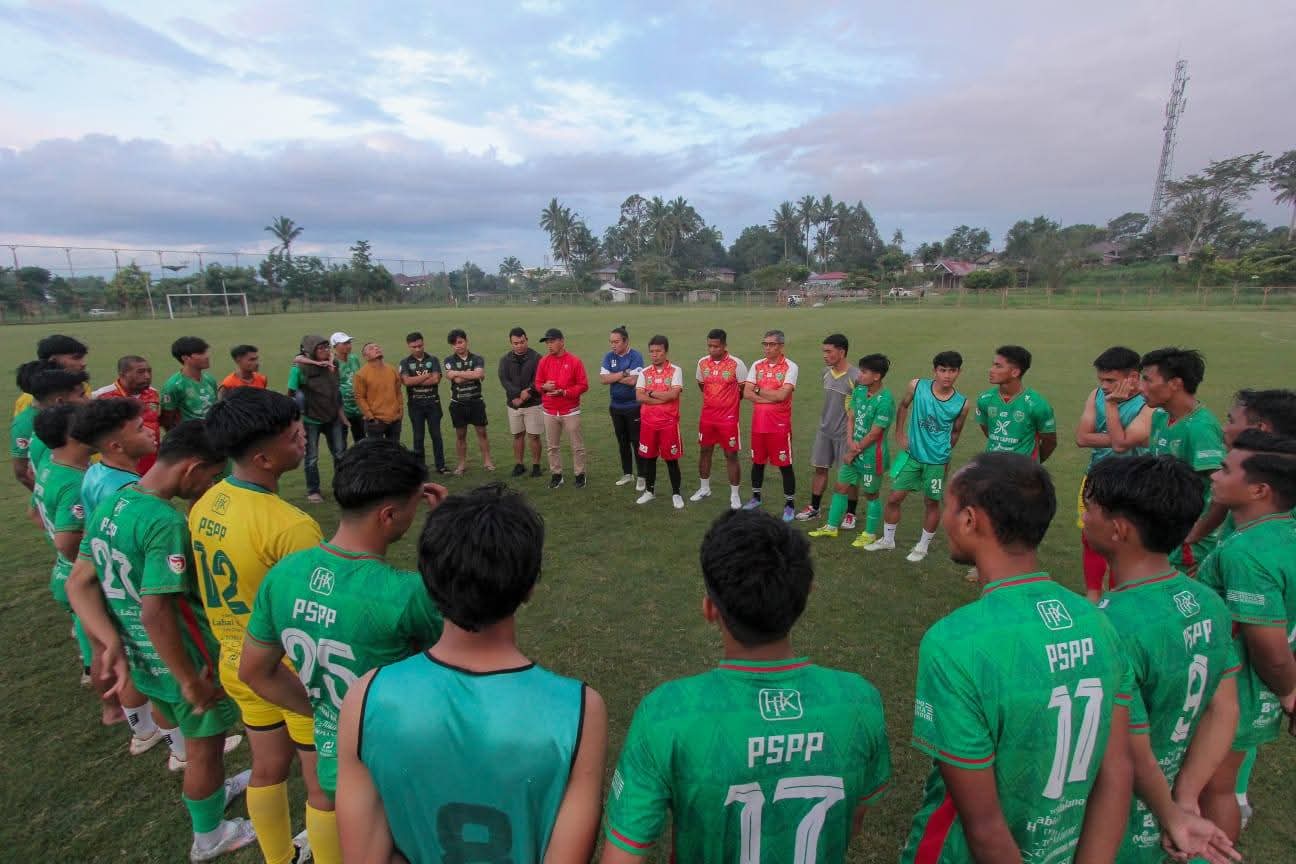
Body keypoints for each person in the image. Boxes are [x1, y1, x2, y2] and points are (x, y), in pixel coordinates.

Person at [600, 509, 892, 863]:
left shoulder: (666, 714)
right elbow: (852, 820)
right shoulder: (859, 702)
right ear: (805, 594)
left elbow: (623, 854)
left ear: (709, 609)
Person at [335, 484, 607, 863]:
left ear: (428, 581)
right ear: (529, 587)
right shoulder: (580, 709)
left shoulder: (366, 697)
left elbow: (364, 857)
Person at [900, 452, 1135, 864]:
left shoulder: (955, 642)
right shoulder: (1097, 623)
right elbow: (1116, 772)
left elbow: (984, 823)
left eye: (953, 509)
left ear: (971, 520)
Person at [239, 440, 447, 864]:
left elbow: (255, 672)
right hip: (399, 767)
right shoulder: (404, 594)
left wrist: (324, 708)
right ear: (389, 516)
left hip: (337, 761)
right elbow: (457, 665)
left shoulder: (283, 575)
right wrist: (444, 524)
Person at [65, 421, 256, 861]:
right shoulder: (164, 521)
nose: (211, 485)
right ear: (192, 468)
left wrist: (110, 639)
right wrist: (190, 679)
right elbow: (157, 609)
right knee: (206, 747)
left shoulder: (114, 504)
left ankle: (214, 790)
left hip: (140, 655)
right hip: (186, 658)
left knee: (185, 734)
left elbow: (80, 582)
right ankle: (210, 837)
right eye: (211, 477)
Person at [1084, 455, 1242, 863]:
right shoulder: (1209, 602)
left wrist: (1170, 810)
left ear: (1118, 529)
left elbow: (1127, 746)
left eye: (1091, 509)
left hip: (1106, 815)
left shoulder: (1106, 626)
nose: (1085, 518)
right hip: (1166, 801)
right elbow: (1225, 708)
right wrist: (1186, 797)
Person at [192, 388, 326, 864]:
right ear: (265, 457)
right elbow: (314, 616)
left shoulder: (207, 503)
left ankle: (278, 856)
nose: (304, 440)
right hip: (289, 671)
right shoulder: (290, 527)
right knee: (323, 785)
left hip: (236, 659)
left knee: (267, 765)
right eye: (295, 437)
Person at [1195, 430, 1296, 842]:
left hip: (1236, 690)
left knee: (1212, 786)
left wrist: (1290, 693)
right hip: (1254, 689)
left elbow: (1267, 643)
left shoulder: (1246, 552)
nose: (1215, 477)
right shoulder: (1283, 532)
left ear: (1258, 489)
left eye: (1225, 469)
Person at [865, 351, 970, 563]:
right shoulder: (917, 386)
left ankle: (922, 546)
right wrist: (900, 434)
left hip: (936, 462)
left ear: (959, 372)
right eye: (943, 370)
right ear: (935, 371)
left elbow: (956, 431)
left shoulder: (962, 403)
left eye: (952, 371)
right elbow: (904, 406)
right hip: (913, 456)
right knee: (894, 497)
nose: (947, 375)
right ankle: (888, 540)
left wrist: (944, 452)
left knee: (931, 502)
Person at [1074, 346, 1152, 603]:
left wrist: (1112, 412)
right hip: (1095, 478)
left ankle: (1119, 596)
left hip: (1132, 483)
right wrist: (1121, 436)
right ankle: (1093, 595)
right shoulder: (1095, 394)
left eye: (1111, 380)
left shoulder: (1149, 404)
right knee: (1091, 537)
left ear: (1133, 377)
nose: (1104, 386)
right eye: (1102, 380)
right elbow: (1083, 438)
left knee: (1125, 543)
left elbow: (1128, 442)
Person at [1140, 347, 1226, 571]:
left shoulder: (1201, 429)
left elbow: (1222, 489)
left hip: (1188, 541)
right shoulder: (1160, 416)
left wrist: (1198, 532)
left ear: (1175, 383)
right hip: (1163, 529)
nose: (1141, 388)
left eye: (1148, 380)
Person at [31, 404, 95, 686]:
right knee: (98, 633)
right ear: (72, 435)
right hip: (81, 575)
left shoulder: (50, 465)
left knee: (88, 624)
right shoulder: (73, 482)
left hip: (64, 572)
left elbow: (34, 513)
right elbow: (66, 542)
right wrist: (91, 565)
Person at [809, 353, 894, 544]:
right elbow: (851, 417)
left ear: (876, 376)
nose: (859, 375)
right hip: (853, 451)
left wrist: (854, 450)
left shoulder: (886, 401)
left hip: (872, 456)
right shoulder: (859, 391)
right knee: (840, 487)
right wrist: (849, 440)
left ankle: (870, 534)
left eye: (864, 372)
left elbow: (875, 433)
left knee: (871, 494)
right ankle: (831, 527)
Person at [796, 333, 858, 522]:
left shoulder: (856, 377)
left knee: (848, 474)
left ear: (841, 352)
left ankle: (851, 513)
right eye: (824, 351)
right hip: (824, 431)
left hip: (845, 435)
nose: (825, 355)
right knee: (820, 469)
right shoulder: (825, 373)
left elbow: (860, 409)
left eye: (828, 351)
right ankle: (815, 508)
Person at [742, 329, 799, 521]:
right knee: (757, 462)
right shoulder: (757, 365)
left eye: (772, 344)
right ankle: (756, 497)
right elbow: (746, 393)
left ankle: (790, 504)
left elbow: (782, 396)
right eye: (765, 344)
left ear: (781, 346)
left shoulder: (790, 367)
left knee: (785, 465)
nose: (767, 348)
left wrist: (758, 390)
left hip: (779, 427)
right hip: (758, 425)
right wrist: (770, 396)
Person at [690, 328, 747, 510]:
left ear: (724, 346)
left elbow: (743, 390)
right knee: (705, 451)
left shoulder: (736, 364)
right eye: (709, 346)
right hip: (707, 417)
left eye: (716, 346)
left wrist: (727, 403)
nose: (712, 350)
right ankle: (704, 488)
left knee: (730, 454)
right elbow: (701, 385)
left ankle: (735, 495)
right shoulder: (702, 363)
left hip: (728, 419)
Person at [12, 361, 89, 490]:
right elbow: (23, 473)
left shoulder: (47, 434)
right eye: (82, 396)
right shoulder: (56, 443)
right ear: (60, 401)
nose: (88, 400)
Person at [76, 398, 158, 517]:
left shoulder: (93, 471)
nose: (151, 432)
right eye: (140, 428)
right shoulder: (131, 494)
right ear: (117, 446)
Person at [289, 335, 345, 504]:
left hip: (332, 416)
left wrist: (341, 415)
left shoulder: (333, 365)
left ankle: (341, 487)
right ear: (310, 350)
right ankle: (313, 490)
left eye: (327, 347)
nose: (325, 350)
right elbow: (291, 393)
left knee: (340, 453)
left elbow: (337, 389)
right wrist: (297, 420)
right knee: (312, 457)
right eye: (320, 348)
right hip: (311, 419)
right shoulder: (298, 369)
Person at [633, 335, 685, 509]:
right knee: (649, 459)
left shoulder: (675, 370)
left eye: (658, 351)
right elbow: (639, 397)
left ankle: (676, 493)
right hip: (648, 423)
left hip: (669, 423)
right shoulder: (644, 372)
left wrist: (651, 394)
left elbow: (673, 395)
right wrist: (661, 397)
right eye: (652, 351)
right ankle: (649, 491)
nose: (654, 355)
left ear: (666, 351)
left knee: (671, 460)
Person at [535, 328, 589, 489]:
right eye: (547, 342)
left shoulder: (574, 361)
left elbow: (583, 385)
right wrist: (544, 387)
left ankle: (580, 474)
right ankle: (556, 475)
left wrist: (564, 392)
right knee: (552, 446)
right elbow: (537, 384)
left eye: (551, 341)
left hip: (570, 411)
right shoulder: (544, 361)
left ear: (562, 341)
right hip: (549, 411)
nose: (549, 345)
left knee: (577, 446)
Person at [92, 354, 162, 474]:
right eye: (140, 372)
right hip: (121, 463)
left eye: (149, 371)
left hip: (151, 462)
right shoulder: (101, 396)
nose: (147, 376)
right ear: (123, 374)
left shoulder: (153, 393)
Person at [599, 325, 645, 489]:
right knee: (622, 442)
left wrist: (613, 376)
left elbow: (634, 381)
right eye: (611, 342)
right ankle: (627, 474)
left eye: (616, 342)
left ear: (626, 341)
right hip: (616, 406)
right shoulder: (608, 356)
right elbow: (603, 379)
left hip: (633, 406)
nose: (613, 345)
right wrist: (623, 373)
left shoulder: (636, 356)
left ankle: (642, 476)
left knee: (636, 441)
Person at [444, 328, 494, 474]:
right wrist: (472, 375)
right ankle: (461, 464)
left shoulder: (477, 358)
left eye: (460, 342)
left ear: (466, 341)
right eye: (454, 344)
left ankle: (487, 461)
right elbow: (458, 381)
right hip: (458, 403)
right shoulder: (449, 360)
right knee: (460, 435)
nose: (458, 346)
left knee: (482, 432)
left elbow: (477, 373)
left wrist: (457, 373)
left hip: (476, 401)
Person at [498, 326, 544, 478]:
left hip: (533, 403)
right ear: (511, 343)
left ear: (527, 340)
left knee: (534, 436)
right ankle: (519, 465)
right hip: (514, 404)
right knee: (517, 435)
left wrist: (528, 393)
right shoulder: (505, 360)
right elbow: (504, 380)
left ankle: (536, 466)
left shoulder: (537, 358)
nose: (519, 345)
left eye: (522, 342)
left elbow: (539, 379)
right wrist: (517, 395)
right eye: (516, 343)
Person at [399, 331, 446, 471]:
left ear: (423, 343)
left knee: (436, 435)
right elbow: (406, 382)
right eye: (414, 347)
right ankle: (420, 467)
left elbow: (436, 379)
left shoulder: (433, 360)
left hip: (433, 404)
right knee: (418, 437)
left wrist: (416, 381)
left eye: (420, 345)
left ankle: (441, 466)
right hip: (415, 406)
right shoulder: (405, 362)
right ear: (408, 346)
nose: (418, 349)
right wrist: (427, 375)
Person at [13, 333, 90, 416]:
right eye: (76, 358)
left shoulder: (79, 385)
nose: (83, 363)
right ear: (53, 360)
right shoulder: (35, 399)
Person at [161, 337, 218, 429]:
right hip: (190, 438)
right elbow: (167, 420)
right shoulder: (173, 386)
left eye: (206, 352)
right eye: (201, 353)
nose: (207, 356)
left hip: (213, 434)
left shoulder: (210, 379)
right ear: (185, 358)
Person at [354, 342, 404, 443]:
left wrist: (400, 411)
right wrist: (370, 417)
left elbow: (398, 391)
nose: (376, 348)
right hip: (375, 422)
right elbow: (360, 398)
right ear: (365, 356)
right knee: (376, 453)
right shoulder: (361, 374)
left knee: (393, 451)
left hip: (394, 419)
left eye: (377, 347)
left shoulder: (392, 370)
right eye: (371, 348)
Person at [330, 333, 365, 447]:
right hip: (342, 410)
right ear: (335, 346)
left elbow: (359, 379)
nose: (349, 346)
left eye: (349, 342)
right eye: (344, 343)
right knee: (340, 445)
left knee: (361, 441)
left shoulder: (354, 358)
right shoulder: (332, 363)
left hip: (358, 408)